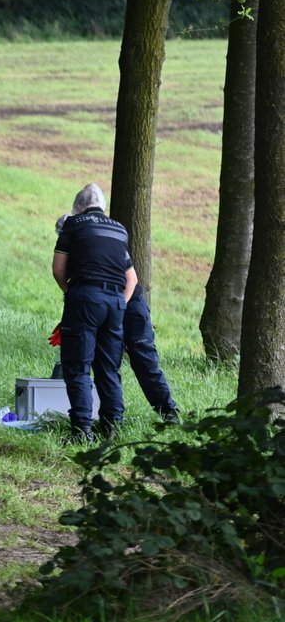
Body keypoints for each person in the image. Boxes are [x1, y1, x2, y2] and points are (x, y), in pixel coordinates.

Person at [54, 211, 179, 424]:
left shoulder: (78, 232)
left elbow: (129, 281)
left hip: (122, 304)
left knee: (138, 361)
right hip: (115, 303)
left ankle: (167, 413)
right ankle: (114, 422)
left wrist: (76, 300)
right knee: (111, 365)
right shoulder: (113, 234)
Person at [52, 183, 136, 440]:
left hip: (85, 298)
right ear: (103, 206)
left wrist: (71, 294)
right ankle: (112, 429)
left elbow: (58, 268)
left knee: (78, 366)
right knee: (109, 368)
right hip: (115, 303)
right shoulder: (119, 229)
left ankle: (81, 431)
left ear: (78, 206)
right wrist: (119, 303)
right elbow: (131, 279)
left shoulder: (74, 224)